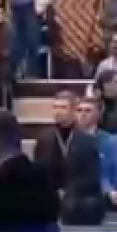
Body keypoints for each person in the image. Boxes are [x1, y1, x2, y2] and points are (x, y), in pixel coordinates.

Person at [33, 91, 102, 225]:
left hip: (78, 197)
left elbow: (91, 177)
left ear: (73, 111)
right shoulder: (44, 140)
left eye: (63, 107)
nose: (58, 111)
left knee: (79, 205)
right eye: (56, 107)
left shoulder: (88, 141)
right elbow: (39, 173)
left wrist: (67, 192)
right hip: (51, 194)